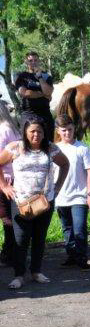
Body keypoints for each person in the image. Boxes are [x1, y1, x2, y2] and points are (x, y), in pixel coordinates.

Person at [0, 113, 69, 289]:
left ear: (44, 133)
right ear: (25, 132)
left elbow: (65, 164)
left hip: (45, 201)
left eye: (39, 131)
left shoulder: (51, 148)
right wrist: (4, 186)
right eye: (32, 131)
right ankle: (18, 275)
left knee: (39, 237)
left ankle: (36, 271)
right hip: (21, 202)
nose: (35, 135)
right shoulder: (15, 148)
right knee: (21, 239)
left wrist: (58, 187)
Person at [54, 115, 90, 270]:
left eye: (70, 130)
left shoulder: (82, 148)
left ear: (74, 129)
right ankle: (71, 255)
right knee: (67, 229)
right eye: (64, 130)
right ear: (58, 131)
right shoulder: (54, 149)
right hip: (60, 197)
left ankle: (82, 258)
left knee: (79, 228)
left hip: (79, 196)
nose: (67, 133)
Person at [14, 51, 54, 140]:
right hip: (28, 113)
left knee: (49, 143)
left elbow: (49, 92)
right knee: (27, 142)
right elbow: (25, 93)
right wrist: (43, 94)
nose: (33, 62)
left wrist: (39, 77)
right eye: (30, 60)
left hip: (45, 114)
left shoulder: (46, 76)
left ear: (39, 61)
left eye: (35, 60)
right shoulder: (21, 76)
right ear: (26, 62)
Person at [0, 100, 20, 265]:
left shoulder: (3, 130)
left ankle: (9, 253)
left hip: (5, 179)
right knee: (11, 216)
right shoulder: (13, 128)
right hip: (13, 177)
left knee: (7, 217)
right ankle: (12, 251)